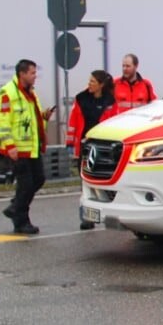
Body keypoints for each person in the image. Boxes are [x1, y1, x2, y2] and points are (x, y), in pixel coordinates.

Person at [0, 58, 54, 235]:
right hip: (18, 149)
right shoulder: (8, 93)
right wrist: (10, 146)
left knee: (38, 179)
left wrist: (43, 117)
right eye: (32, 73)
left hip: (32, 147)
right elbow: (3, 123)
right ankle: (21, 221)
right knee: (26, 185)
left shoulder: (30, 93)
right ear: (22, 74)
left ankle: (15, 206)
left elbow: (31, 119)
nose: (35, 76)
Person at [68, 69, 116, 229]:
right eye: (89, 81)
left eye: (92, 82)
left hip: (103, 148)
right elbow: (73, 123)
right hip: (85, 147)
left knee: (101, 184)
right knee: (85, 184)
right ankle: (86, 217)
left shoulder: (110, 102)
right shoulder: (81, 99)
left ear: (101, 85)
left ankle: (106, 213)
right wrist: (70, 145)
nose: (89, 84)